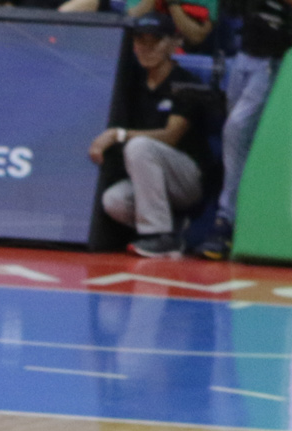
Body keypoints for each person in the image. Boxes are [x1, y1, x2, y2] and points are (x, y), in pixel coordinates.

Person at [89, 15, 219, 258]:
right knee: (113, 201)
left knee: (139, 146)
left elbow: (170, 136)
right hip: (148, 181)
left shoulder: (184, 83)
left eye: (155, 41)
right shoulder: (130, 83)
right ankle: (171, 231)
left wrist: (118, 135)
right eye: (140, 41)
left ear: (172, 44)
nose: (146, 49)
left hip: (187, 178)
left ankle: (158, 236)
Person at [192, 0, 292, 259]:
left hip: (277, 57)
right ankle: (241, 222)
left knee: (236, 129)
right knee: (238, 140)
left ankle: (225, 222)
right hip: (244, 54)